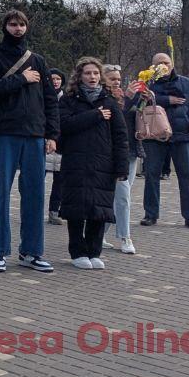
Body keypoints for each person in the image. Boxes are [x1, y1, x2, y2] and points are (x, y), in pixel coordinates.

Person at [0, 9, 59, 273]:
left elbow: (50, 100)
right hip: (4, 134)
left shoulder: (38, 60)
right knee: (0, 193)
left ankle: (32, 252)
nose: (17, 28)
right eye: (13, 24)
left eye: (22, 24)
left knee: (35, 194)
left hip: (35, 135)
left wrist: (52, 134)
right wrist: (21, 79)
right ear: (5, 27)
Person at [56, 57, 129, 270]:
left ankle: (94, 251)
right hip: (76, 162)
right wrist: (94, 115)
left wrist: (121, 167)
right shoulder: (69, 100)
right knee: (77, 210)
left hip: (103, 164)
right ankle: (77, 252)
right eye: (88, 73)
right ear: (79, 76)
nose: (92, 77)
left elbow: (120, 136)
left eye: (96, 73)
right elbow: (64, 125)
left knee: (99, 209)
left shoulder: (109, 102)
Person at [138, 52, 189, 229]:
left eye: (166, 62)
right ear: (152, 66)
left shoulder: (185, 83)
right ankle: (150, 214)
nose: (163, 65)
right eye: (159, 63)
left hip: (181, 136)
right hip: (154, 136)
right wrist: (167, 100)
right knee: (151, 175)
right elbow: (140, 104)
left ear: (172, 64)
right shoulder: (147, 83)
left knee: (186, 177)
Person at [102, 65, 140, 254]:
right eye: (112, 78)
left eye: (118, 78)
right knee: (123, 196)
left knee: (119, 196)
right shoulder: (103, 98)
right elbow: (117, 122)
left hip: (131, 151)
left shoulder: (125, 97)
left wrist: (144, 99)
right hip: (112, 154)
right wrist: (128, 98)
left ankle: (100, 233)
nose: (116, 81)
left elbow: (136, 119)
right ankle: (125, 237)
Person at [46, 68, 67, 225]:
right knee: (37, 181)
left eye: (58, 79)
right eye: (52, 78)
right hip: (44, 143)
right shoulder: (42, 96)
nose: (55, 81)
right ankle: (32, 210)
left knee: (59, 182)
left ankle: (54, 212)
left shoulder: (66, 99)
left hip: (61, 145)